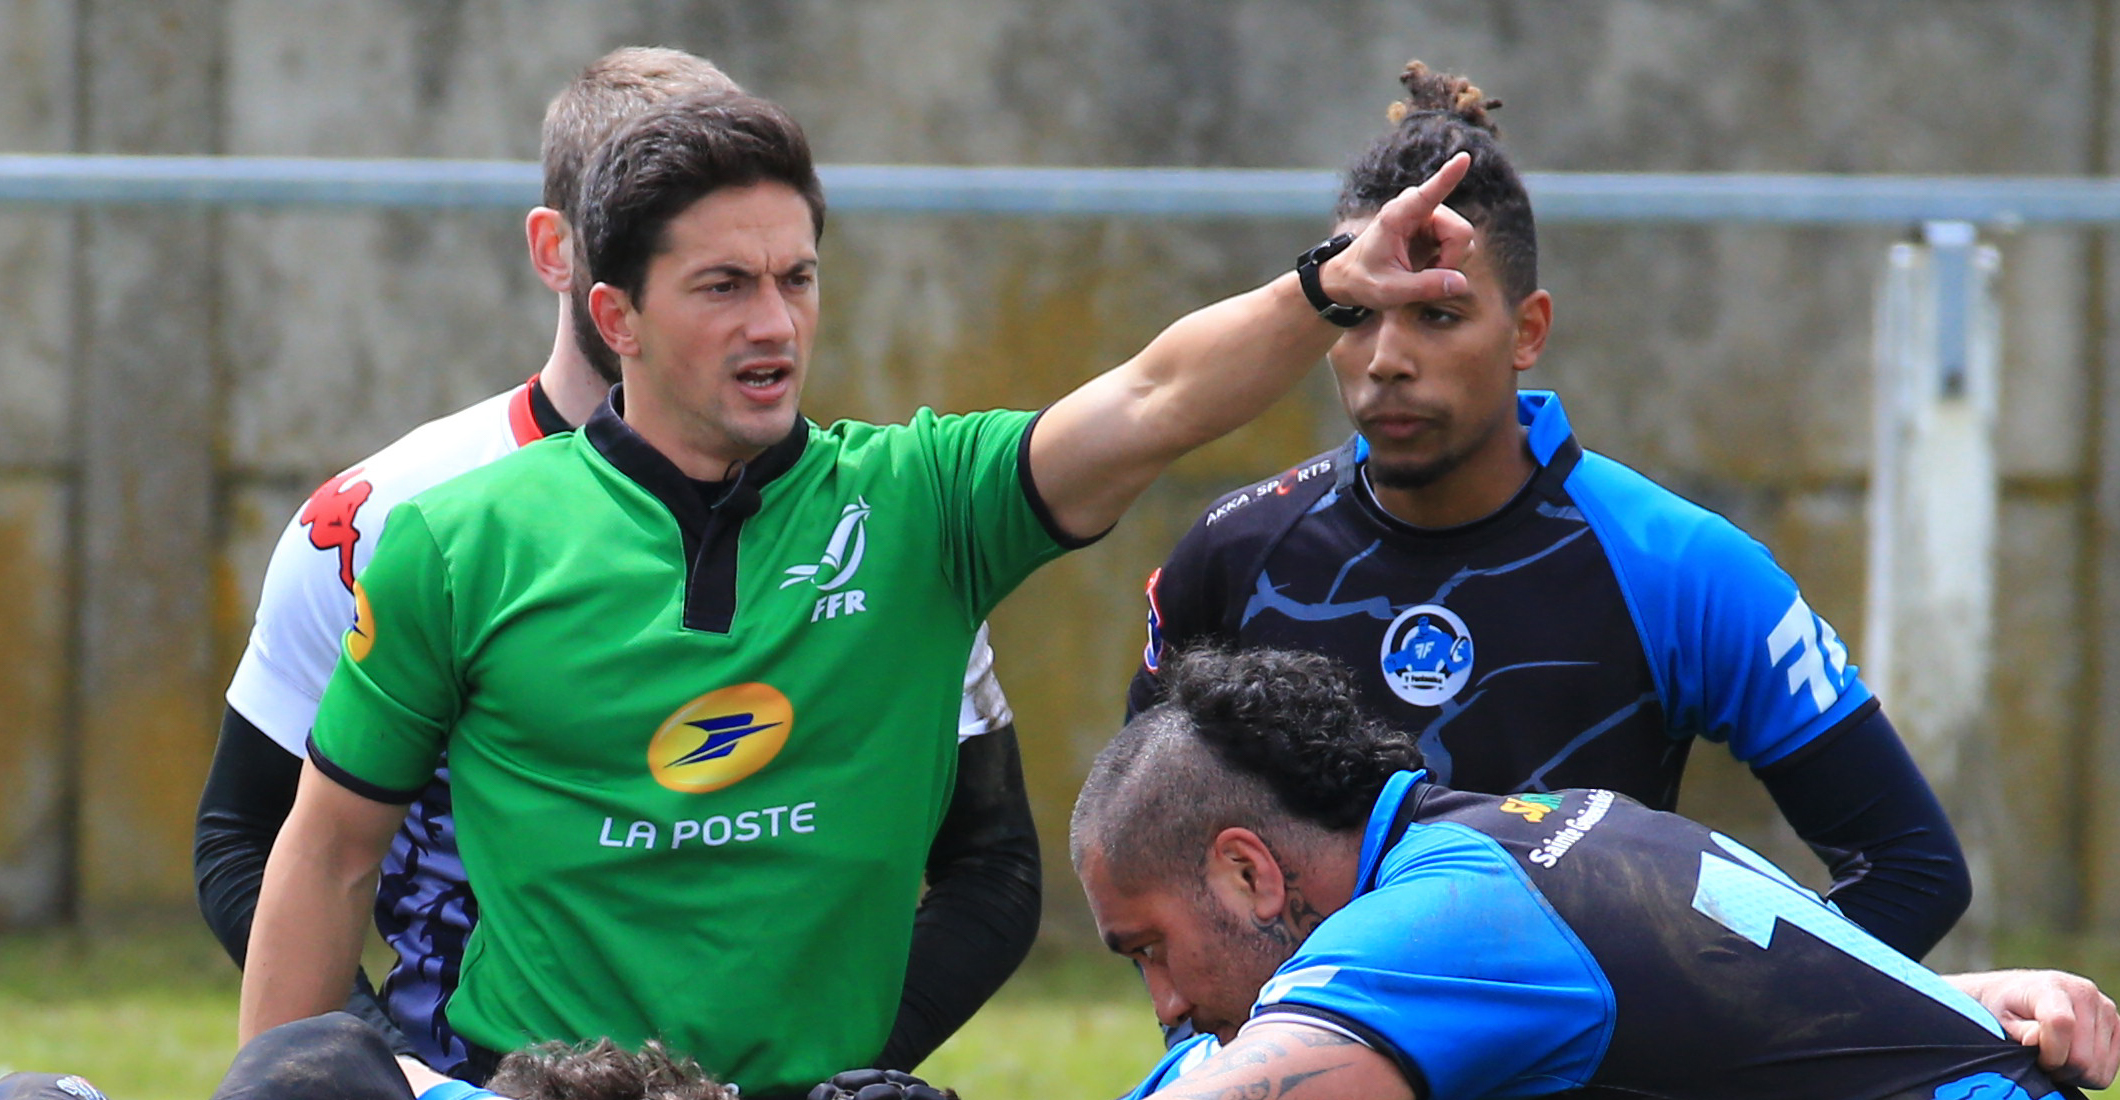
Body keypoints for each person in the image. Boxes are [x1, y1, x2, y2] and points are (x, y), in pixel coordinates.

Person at [236, 86, 1483, 1097]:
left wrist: (1327, 286)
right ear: (612, 312)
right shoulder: (456, 539)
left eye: (797, 277)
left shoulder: (921, 505)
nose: (773, 321)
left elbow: (1151, 398)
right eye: (723, 286)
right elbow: (327, 852)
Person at [196, 47, 1039, 1081]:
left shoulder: (875, 522)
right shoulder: (384, 518)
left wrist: (819, 1064)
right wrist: (376, 1065)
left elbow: (990, 865)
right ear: (565, 253)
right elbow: (253, 836)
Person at [1128, 60, 1968, 963]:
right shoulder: (1236, 555)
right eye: (1362, 314)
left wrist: (1716, 1033)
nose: (1387, 359)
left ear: (1528, 330)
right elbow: (1143, 860)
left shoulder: (1679, 564)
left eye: (1438, 317)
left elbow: (1911, 870)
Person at [1079, 646, 2119, 1100]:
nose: (1165, 1001)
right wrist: (1970, 1000)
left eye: (1148, 950)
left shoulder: (1430, 922)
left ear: (1246, 872)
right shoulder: (1557, 828)